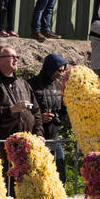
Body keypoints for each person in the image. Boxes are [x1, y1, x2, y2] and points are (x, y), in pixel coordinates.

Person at [0, 46, 43, 183]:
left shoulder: (24, 84)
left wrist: (39, 133)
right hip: (4, 149)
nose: (16, 59)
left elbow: (36, 111)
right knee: (8, 186)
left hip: (27, 146)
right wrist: (11, 109)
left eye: (16, 56)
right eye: (11, 56)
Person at [30, 53, 70, 182]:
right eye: (59, 70)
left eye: (63, 71)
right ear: (50, 68)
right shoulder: (31, 85)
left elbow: (63, 110)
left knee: (60, 175)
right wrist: (39, 118)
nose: (61, 74)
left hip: (53, 136)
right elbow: (24, 111)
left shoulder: (59, 86)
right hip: (35, 136)